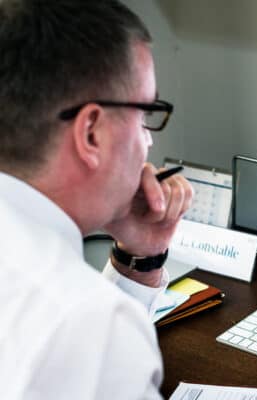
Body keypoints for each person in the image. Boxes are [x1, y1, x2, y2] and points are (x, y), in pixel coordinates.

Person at [0, 1, 194, 398]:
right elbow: (85, 335)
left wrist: (139, 260)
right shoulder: (88, 324)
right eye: (145, 115)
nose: (148, 141)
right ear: (91, 133)